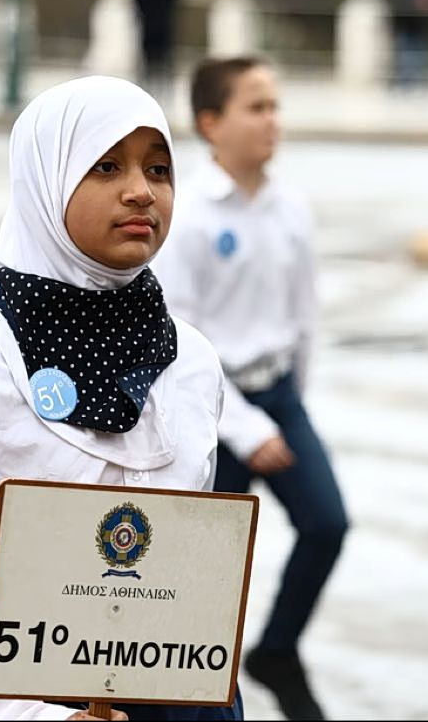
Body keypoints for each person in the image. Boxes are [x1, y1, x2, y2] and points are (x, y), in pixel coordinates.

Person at [0, 75, 243, 721]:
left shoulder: (192, 361)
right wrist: (39, 716)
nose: (140, 190)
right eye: (105, 166)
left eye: (159, 169)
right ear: (44, 181)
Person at [150, 57, 348, 721]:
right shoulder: (190, 215)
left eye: (274, 106)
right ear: (211, 123)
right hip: (211, 410)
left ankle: (276, 649)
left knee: (327, 522)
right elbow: (174, 338)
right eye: (255, 107)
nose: (272, 121)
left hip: (278, 395)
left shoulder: (290, 206)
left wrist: (289, 403)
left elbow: (304, 316)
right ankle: (204, 696)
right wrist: (243, 426)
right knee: (203, 578)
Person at [132, 0, 178, 104]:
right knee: (161, 64)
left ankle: (148, 91)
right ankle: (162, 93)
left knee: (149, 64)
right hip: (162, 28)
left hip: (148, 28)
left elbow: (135, 1)